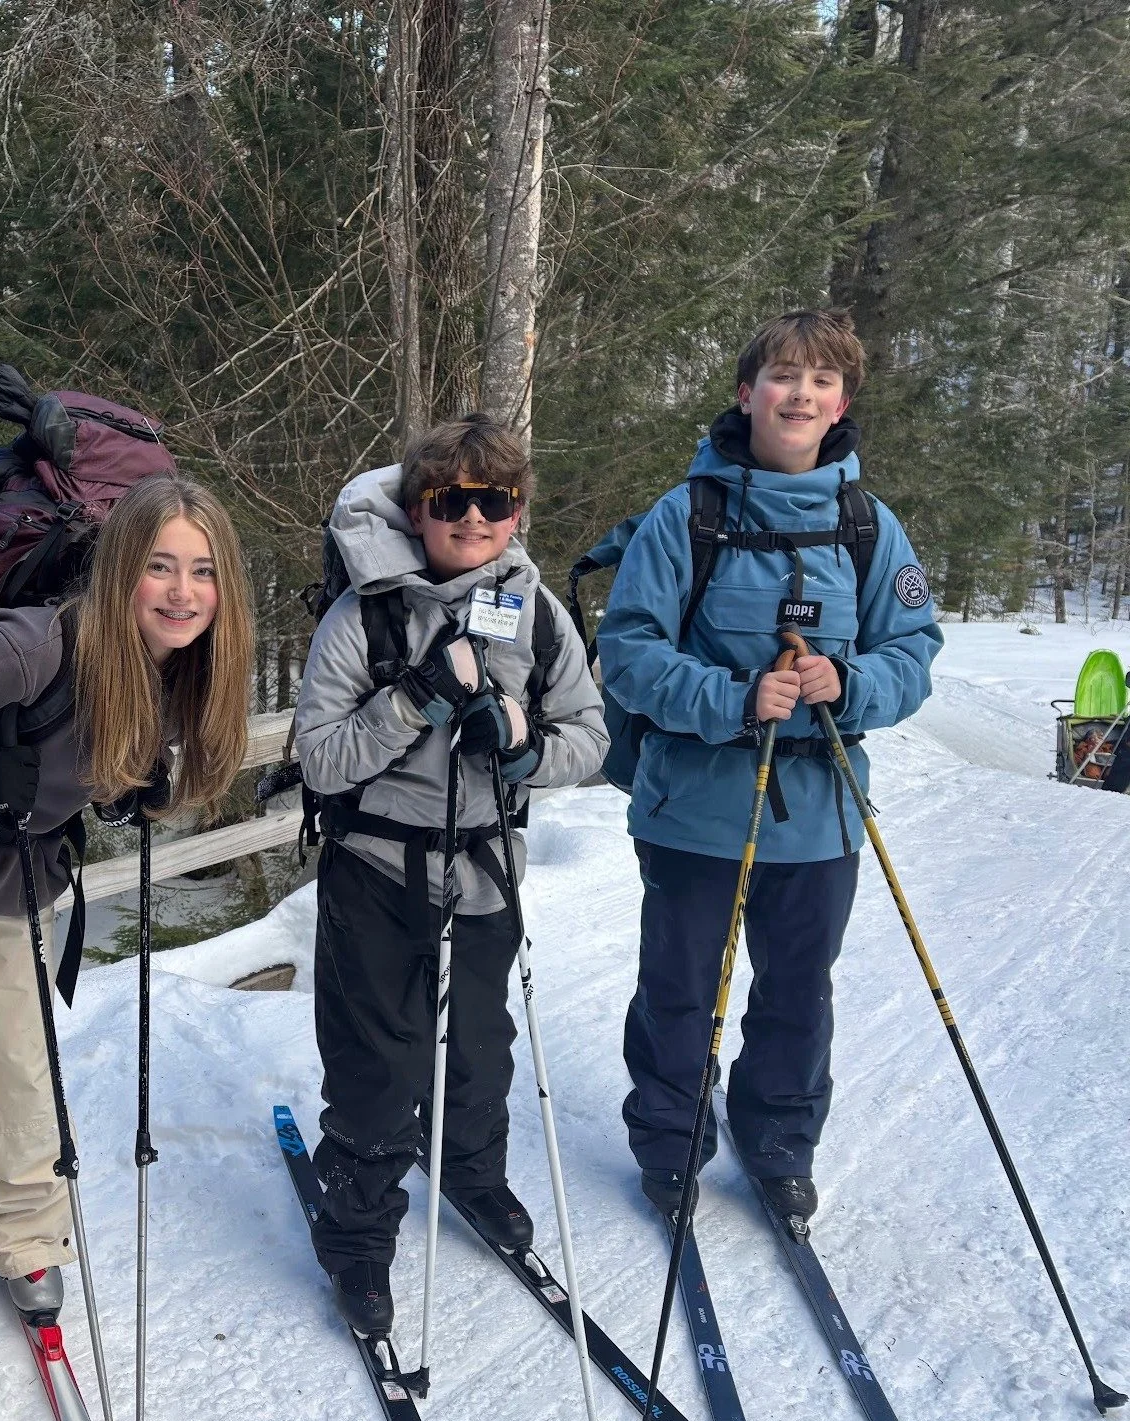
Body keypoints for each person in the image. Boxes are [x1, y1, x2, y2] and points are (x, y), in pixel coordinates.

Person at [0, 473, 255, 1376]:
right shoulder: (33, 646)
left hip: (17, 886)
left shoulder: (173, 667)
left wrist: (126, 787)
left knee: (21, 1081)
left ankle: (25, 1236)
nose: (183, 592)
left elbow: (74, 762)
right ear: (119, 571)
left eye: (203, 571)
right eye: (159, 566)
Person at [597, 309, 942, 1219]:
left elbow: (913, 654)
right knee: (680, 991)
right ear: (748, 393)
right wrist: (736, 698)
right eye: (784, 376)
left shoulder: (869, 526)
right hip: (695, 806)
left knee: (796, 992)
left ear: (842, 404)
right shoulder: (686, 517)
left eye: (822, 381)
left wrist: (850, 683)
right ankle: (670, 1143)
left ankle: (779, 1139)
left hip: (822, 811)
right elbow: (628, 652)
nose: (801, 394)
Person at [293, 414, 608, 1336]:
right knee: (378, 1061)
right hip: (375, 868)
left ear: (518, 511)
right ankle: (358, 1233)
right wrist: (413, 701)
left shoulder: (535, 612)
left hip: (484, 866)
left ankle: (471, 1171)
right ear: (418, 510)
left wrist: (523, 746)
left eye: (495, 501)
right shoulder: (365, 613)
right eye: (453, 501)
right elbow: (321, 758)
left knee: (478, 1045)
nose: (474, 518)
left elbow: (589, 738)